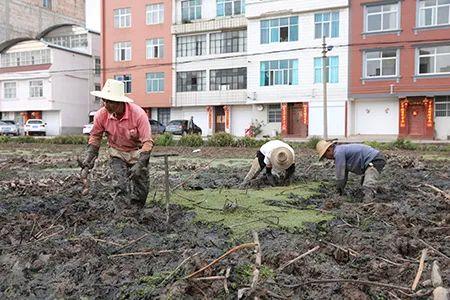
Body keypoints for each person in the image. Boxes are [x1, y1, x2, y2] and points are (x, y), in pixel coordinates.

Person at [79, 79, 154, 209]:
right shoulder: (101, 115)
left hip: (137, 152)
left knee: (141, 187)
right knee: (120, 184)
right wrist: (89, 158)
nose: (106, 105)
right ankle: (122, 213)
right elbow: (96, 137)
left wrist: (140, 164)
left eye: (110, 101)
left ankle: (137, 210)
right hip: (117, 152)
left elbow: (147, 142)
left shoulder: (139, 115)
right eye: (104, 101)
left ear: (120, 102)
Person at [316, 140, 386, 197]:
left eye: (325, 156)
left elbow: (340, 176)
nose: (327, 158)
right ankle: (379, 196)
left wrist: (338, 191)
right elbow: (344, 174)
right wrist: (340, 190)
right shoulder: (341, 151)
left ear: (328, 150)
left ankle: (367, 205)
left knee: (368, 186)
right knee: (363, 187)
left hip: (374, 159)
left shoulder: (339, 153)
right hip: (369, 161)